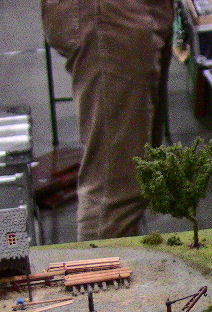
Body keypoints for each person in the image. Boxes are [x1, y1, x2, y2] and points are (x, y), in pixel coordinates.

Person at [41, 0, 173, 240]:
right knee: (113, 190)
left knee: (138, 170)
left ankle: (124, 255)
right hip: (109, 12)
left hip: (128, 11)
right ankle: (104, 263)